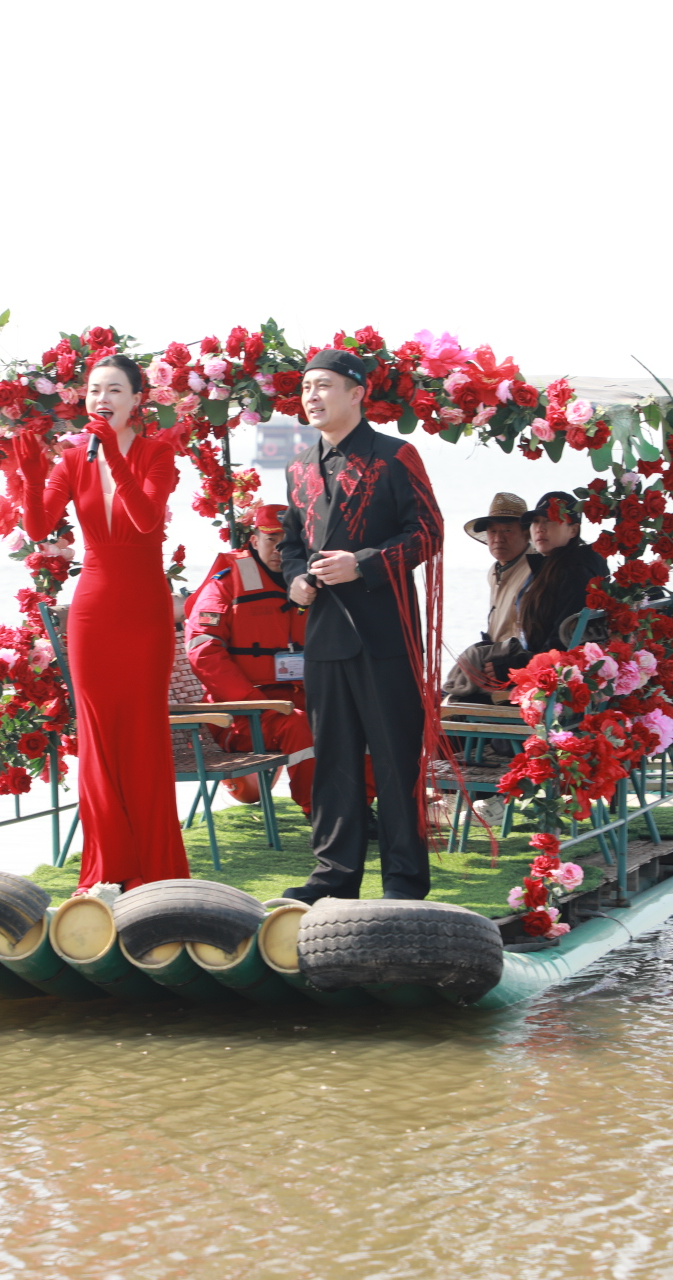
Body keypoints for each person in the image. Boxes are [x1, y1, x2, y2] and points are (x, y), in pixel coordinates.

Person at [12, 354, 189, 891]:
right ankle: (106, 870)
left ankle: (155, 870)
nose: (101, 399)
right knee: (97, 738)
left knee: (143, 735)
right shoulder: (72, 460)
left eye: (114, 389)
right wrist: (31, 477)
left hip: (143, 609)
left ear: (137, 400)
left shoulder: (158, 453)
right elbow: (39, 527)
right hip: (93, 610)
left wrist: (113, 453)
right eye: (93, 390)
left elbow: (147, 520)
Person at [277, 348, 443, 902]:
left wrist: (364, 564)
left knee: (396, 760)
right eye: (306, 387)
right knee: (334, 760)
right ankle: (334, 877)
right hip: (324, 634)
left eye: (323, 385)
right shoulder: (298, 467)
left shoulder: (396, 456)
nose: (312, 396)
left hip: (386, 632)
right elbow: (291, 545)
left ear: (357, 393)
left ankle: (404, 880)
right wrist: (296, 581)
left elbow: (428, 532)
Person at [182, 504, 316, 813]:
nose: (280, 549)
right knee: (299, 726)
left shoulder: (308, 583)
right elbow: (203, 649)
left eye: (287, 541)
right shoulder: (225, 583)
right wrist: (254, 702)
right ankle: (319, 813)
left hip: (300, 698)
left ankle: (360, 807)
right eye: (271, 540)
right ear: (254, 540)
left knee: (356, 717)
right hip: (242, 715)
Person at [486, 491, 611, 686]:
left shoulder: (575, 572)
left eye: (551, 520)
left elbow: (564, 642)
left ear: (573, 530)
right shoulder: (550, 567)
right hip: (542, 669)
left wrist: (513, 666)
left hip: (559, 680)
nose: (540, 529)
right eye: (535, 522)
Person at [444, 491, 537, 703]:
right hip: (493, 662)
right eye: (493, 531)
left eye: (507, 530)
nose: (498, 538)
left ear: (526, 533)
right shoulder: (495, 571)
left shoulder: (535, 569)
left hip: (513, 667)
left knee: (453, 698)